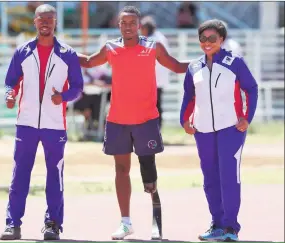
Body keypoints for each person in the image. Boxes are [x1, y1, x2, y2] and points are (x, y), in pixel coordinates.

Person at [77, 5, 189, 240]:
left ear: (139, 26)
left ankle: (155, 215)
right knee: (121, 170)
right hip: (118, 120)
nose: (127, 26)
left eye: (132, 23)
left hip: (145, 120)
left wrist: (208, 60)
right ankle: (125, 222)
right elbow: (87, 62)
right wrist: (62, 51)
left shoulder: (152, 47)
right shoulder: (111, 48)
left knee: (148, 172)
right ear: (118, 25)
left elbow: (177, 66)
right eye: (123, 22)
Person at [0, 4, 84, 241]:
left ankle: (52, 225)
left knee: (54, 178)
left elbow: (78, 87)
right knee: (20, 175)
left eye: (49, 18)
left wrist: (62, 97)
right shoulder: (22, 52)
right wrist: (9, 95)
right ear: (34, 22)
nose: (45, 22)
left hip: (54, 125)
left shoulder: (67, 54)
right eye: (41, 19)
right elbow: (10, 82)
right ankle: (12, 224)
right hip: (25, 124)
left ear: (55, 22)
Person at [180, 19, 258, 242]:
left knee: (228, 176)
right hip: (202, 130)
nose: (207, 43)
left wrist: (247, 117)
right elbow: (189, 95)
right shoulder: (194, 67)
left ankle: (231, 228)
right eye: (203, 38)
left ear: (221, 40)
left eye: (212, 38)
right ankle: (216, 224)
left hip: (231, 128)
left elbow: (251, 88)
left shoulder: (235, 63)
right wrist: (184, 120)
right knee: (210, 178)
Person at [140, 15, 170, 130]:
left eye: (142, 28)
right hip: (156, 79)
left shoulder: (153, 40)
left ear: (146, 28)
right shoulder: (159, 37)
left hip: (153, 79)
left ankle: (154, 129)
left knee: (153, 106)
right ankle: (155, 129)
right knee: (155, 105)